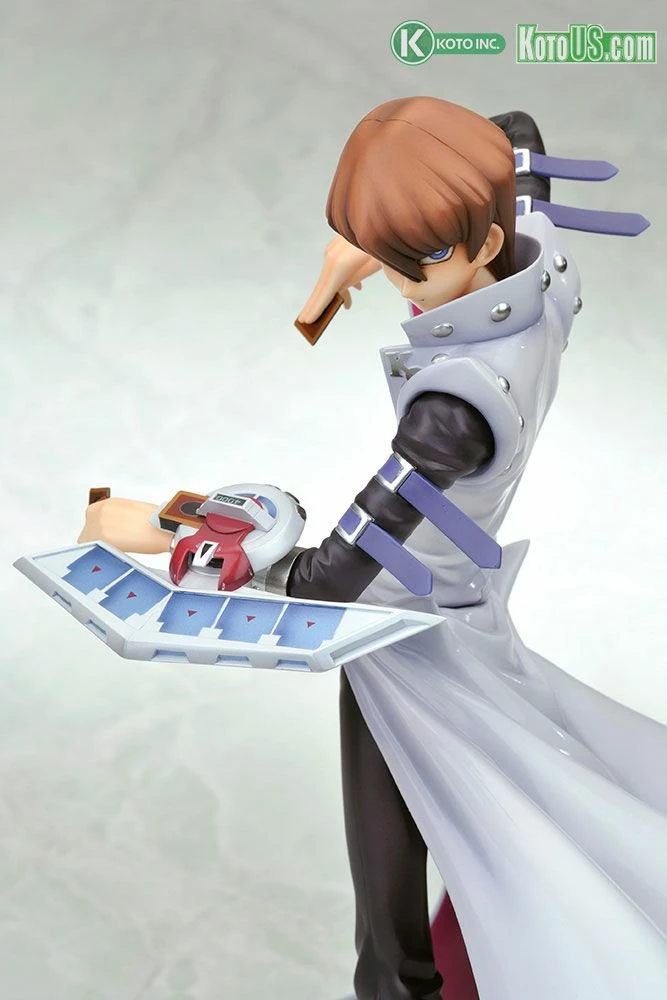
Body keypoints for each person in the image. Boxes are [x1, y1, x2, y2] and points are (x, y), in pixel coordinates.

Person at [79, 98, 667, 1000]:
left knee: (393, 911)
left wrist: (176, 526)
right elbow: (518, 138)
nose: (397, 285)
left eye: (413, 264)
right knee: (504, 820)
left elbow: (325, 579)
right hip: (461, 611)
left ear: (480, 240)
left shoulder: (452, 411)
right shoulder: (543, 270)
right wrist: (391, 223)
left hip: (404, 641)